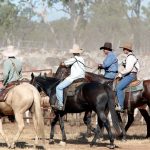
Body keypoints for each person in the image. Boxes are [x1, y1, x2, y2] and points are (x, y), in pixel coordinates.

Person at [56, 44, 85, 110]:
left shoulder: (74, 59)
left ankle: (60, 105)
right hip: (82, 77)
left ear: (73, 52)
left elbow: (64, 64)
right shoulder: (82, 59)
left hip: (74, 77)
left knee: (58, 87)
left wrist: (61, 63)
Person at [115, 42, 140, 112]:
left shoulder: (130, 58)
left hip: (130, 75)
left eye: (124, 49)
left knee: (119, 88)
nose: (123, 50)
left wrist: (120, 74)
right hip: (131, 75)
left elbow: (128, 69)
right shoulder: (130, 57)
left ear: (127, 49)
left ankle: (121, 106)